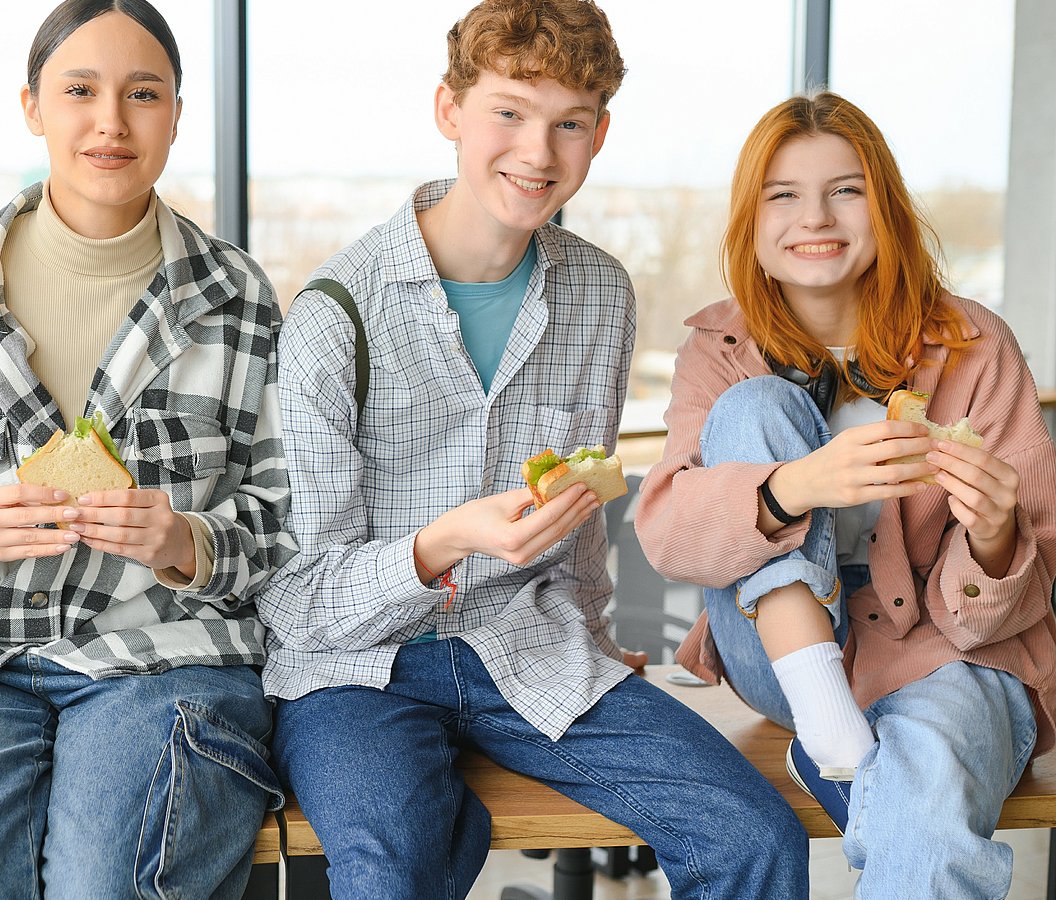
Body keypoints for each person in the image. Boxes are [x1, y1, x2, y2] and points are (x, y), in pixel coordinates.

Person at [256, 1, 808, 897]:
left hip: (533, 647)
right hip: (357, 673)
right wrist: (442, 544)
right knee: (393, 865)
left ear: (599, 135)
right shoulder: (334, 314)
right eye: (509, 112)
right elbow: (303, 600)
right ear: (450, 111)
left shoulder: (600, 291)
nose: (539, 152)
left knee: (753, 835)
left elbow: (580, 519)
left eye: (569, 123)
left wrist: (594, 633)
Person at [0, 1, 292, 896]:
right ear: (32, 106)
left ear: (175, 114)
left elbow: (285, 522)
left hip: (163, 655)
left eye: (143, 93)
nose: (111, 122)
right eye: (79, 90)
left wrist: (184, 543)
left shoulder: (236, 295)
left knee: (108, 883)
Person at [634, 91, 1056, 898]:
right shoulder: (718, 349)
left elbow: (1031, 582)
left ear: (885, 206)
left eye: (846, 189)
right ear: (750, 223)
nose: (814, 217)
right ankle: (834, 729)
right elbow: (668, 535)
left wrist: (998, 537)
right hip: (783, 658)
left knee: (927, 802)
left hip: (949, 648)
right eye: (782, 195)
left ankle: (848, 767)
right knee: (755, 411)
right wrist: (795, 486)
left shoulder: (975, 347)